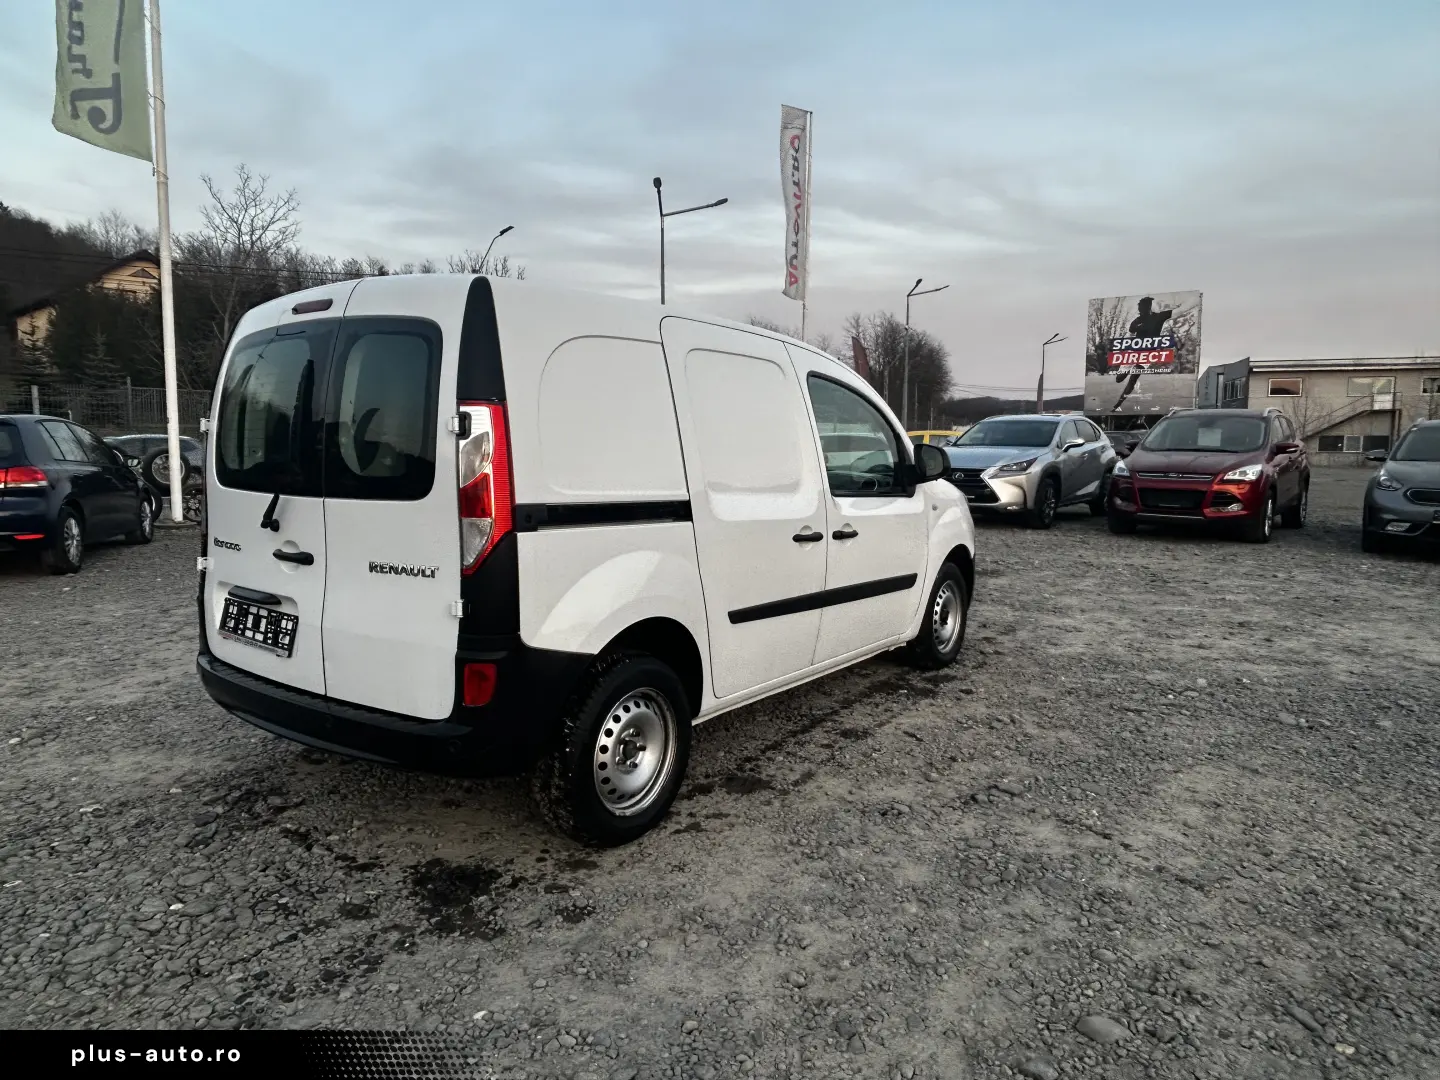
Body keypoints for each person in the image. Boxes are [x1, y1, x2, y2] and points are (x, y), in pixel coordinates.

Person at [1111, 297, 1176, 412]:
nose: (1139, 309)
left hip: (1147, 355)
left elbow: (1175, 312)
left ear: (1148, 307)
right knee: (1119, 379)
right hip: (1133, 352)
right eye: (1139, 307)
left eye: (1141, 307)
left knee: (1133, 380)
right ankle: (1129, 369)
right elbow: (1130, 332)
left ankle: (1117, 405)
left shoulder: (1158, 317)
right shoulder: (1137, 320)